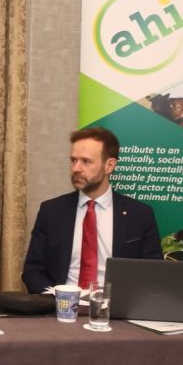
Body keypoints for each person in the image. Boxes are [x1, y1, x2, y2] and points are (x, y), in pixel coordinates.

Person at [22, 126, 162, 294]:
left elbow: (152, 274)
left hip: (114, 311)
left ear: (109, 165)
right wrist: (54, 300)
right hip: (60, 308)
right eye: (73, 160)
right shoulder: (52, 211)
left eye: (86, 161)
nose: (76, 169)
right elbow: (33, 270)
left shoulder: (140, 214)